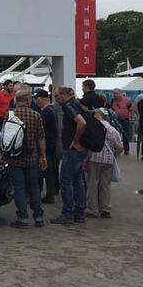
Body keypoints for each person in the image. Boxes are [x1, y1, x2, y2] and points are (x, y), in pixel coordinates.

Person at [6, 90, 47, 227]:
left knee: (19, 188)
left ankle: (22, 217)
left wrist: (3, 155)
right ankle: (38, 216)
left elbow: (4, 137)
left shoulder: (10, 115)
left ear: (16, 100)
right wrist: (43, 156)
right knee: (34, 187)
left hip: (15, 157)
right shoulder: (36, 115)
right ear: (28, 101)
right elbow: (41, 137)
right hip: (32, 157)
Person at [53, 86, 89, 225]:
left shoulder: (69, 107)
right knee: (78, 180)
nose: (55, 99)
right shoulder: (76, 104)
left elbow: (81, 122)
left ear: (63, 95)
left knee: (66, 181)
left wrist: (74, 140)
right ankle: (79, 212)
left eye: (56, 96)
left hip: (72, 150)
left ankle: (67, 213)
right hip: (80, 150)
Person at [85, 109, 123, 219]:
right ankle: (105, 209)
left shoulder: (94, 128)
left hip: (95, 158)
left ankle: (93, 209)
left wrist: (85, 160)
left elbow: (89, 146)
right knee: (105, 185)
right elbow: (120, 147)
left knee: (93, 184)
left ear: (98, 115)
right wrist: (114, 156)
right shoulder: (112, 129)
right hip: (108, 160)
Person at [36, 90, 61, 204]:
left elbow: (38, 127)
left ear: (41, 98)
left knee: (46, 170)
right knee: (50, 171)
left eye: (37, 99)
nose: (36, 101)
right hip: (52, 144)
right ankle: (51, 192)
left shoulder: (46, 112)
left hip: (47, 145)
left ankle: (47, 194)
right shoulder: (53, 110)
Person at [110, 89, 132, 156]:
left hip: (125, 119)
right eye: (114, 94)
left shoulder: (127, 100)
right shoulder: (112, 101)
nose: (115, 95)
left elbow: (130, 108)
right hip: (115, 120)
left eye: (116, 93)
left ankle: (126, 149)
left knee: (125, 134)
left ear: (120, 93)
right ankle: (116, 149)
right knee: (115, 134)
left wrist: (131, 116)